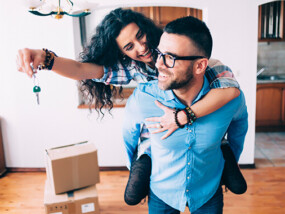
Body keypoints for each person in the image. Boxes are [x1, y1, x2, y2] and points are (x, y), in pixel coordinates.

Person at [16, 8, 244, 205]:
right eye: (129, 46)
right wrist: (46, 59)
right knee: (137, 185)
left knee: (224, 167)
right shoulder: (132, 69)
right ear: (122, 53)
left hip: (200, 126)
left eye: (140, 35)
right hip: (159, 137)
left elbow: (232, 90)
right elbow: (79, 68)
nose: (141, 46)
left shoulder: (193, 58)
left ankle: (222, 152)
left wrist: (183, 116)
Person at [123, 16, 248, 213]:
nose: (158, 64)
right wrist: (135, 170)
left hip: (208, 189)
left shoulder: (229, 99)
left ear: (200, 66)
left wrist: (232, 159)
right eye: (159, 54)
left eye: (170, 58)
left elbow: (240, 125)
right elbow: (129, 138)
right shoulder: (143, 100)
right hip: (162, 191)